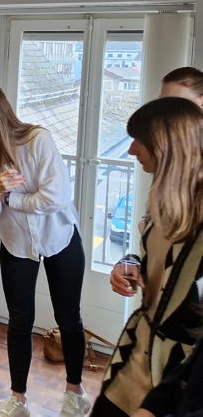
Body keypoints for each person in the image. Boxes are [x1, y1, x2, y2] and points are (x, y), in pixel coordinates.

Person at [0, 82, 88, 417]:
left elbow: (55, 199)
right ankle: (18, 399)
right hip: (16, 243)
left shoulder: (37, 140)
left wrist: (7, 196)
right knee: (19, 322)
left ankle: (75, 392)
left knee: (68, 317)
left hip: (60, 237)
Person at [91, 97, 203, 417]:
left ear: (166, 144)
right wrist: (129, 263)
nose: (131, 150)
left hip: (177, 379)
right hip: (136, 359)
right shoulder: (164, 200)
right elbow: (154, 258)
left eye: (139, 140)